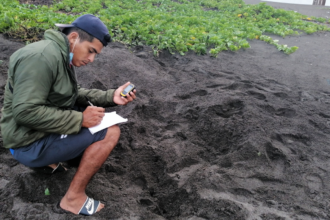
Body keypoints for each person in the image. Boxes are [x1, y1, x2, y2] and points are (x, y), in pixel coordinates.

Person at [0, 14, 136, 216]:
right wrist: (80, 120)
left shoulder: (57, 54)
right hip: (25, 144)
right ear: (73, 38)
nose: (91, 59)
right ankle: (73, 199)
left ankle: (49, 163)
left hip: (29, 135)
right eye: (91, 51)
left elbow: (71, 93)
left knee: (88, 114)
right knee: (109, 132)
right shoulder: (41, 58)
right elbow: (25, 112)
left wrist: (111, 97)